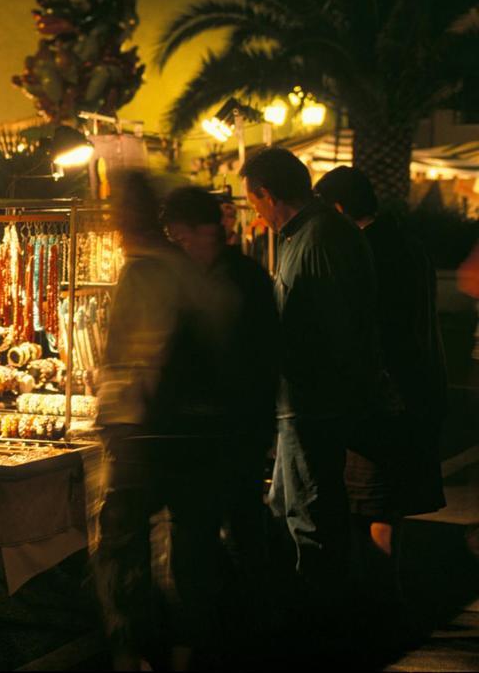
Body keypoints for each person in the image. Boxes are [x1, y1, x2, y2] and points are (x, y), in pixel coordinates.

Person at [94, 171, 225, 670]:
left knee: (124, 545)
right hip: (190, 431)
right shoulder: (182, 266)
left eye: (112, 210)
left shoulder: (147, 270)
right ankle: (183, 649)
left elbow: (143, 355)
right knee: (190, 544)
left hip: (146, 432)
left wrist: (116, 410)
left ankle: (135, 653)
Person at [239, 148, 379, 600]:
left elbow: (337, 329)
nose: (256, 216)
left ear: (266, 194)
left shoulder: (320, 238)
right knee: (289, 506)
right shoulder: (310, 234)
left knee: (310, 512)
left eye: (254, 203)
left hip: (311, 405)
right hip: (300, 403)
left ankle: (323, 612)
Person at [314, 166, 447, 604]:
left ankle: (379, 600)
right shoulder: (408, 245)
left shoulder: (365, 251)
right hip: (414, 394)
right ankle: (385, 592)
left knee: (373, 505)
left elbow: (367, 332)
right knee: (386, 508)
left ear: (337, 208)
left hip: (380, 400)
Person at [162, 187, 280, 632]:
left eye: (183, 234)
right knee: (194, 527)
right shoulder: (177, 277)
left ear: (209, 229)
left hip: (235, 425)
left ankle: (248, 614)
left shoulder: (246, 278)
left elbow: (266, 352)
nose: (179, 243)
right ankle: (205, 619)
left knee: (241, 517)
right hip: (194, 431)